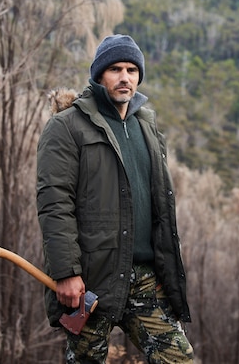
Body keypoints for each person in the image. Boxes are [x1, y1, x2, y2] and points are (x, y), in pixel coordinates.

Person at [36, 34, 194, 363]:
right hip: (91, 281)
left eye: (132, 70)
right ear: (98, 75)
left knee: (180, 360)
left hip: (145, 278)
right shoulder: (67, 127)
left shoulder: (147, 128)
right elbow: (55, 203)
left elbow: (160, 208)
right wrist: (66, 272)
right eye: (115, 69)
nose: (125, 77)